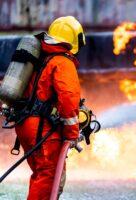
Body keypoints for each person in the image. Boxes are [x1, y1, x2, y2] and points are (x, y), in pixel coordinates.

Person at [15, 16, 85, 199]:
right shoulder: (62, 62)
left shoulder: (41, 58)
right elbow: (68, 98)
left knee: (41, 174)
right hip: (42, 129)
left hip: (26, 125)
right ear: (73, 40)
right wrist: (72, 133)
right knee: (48, 175)